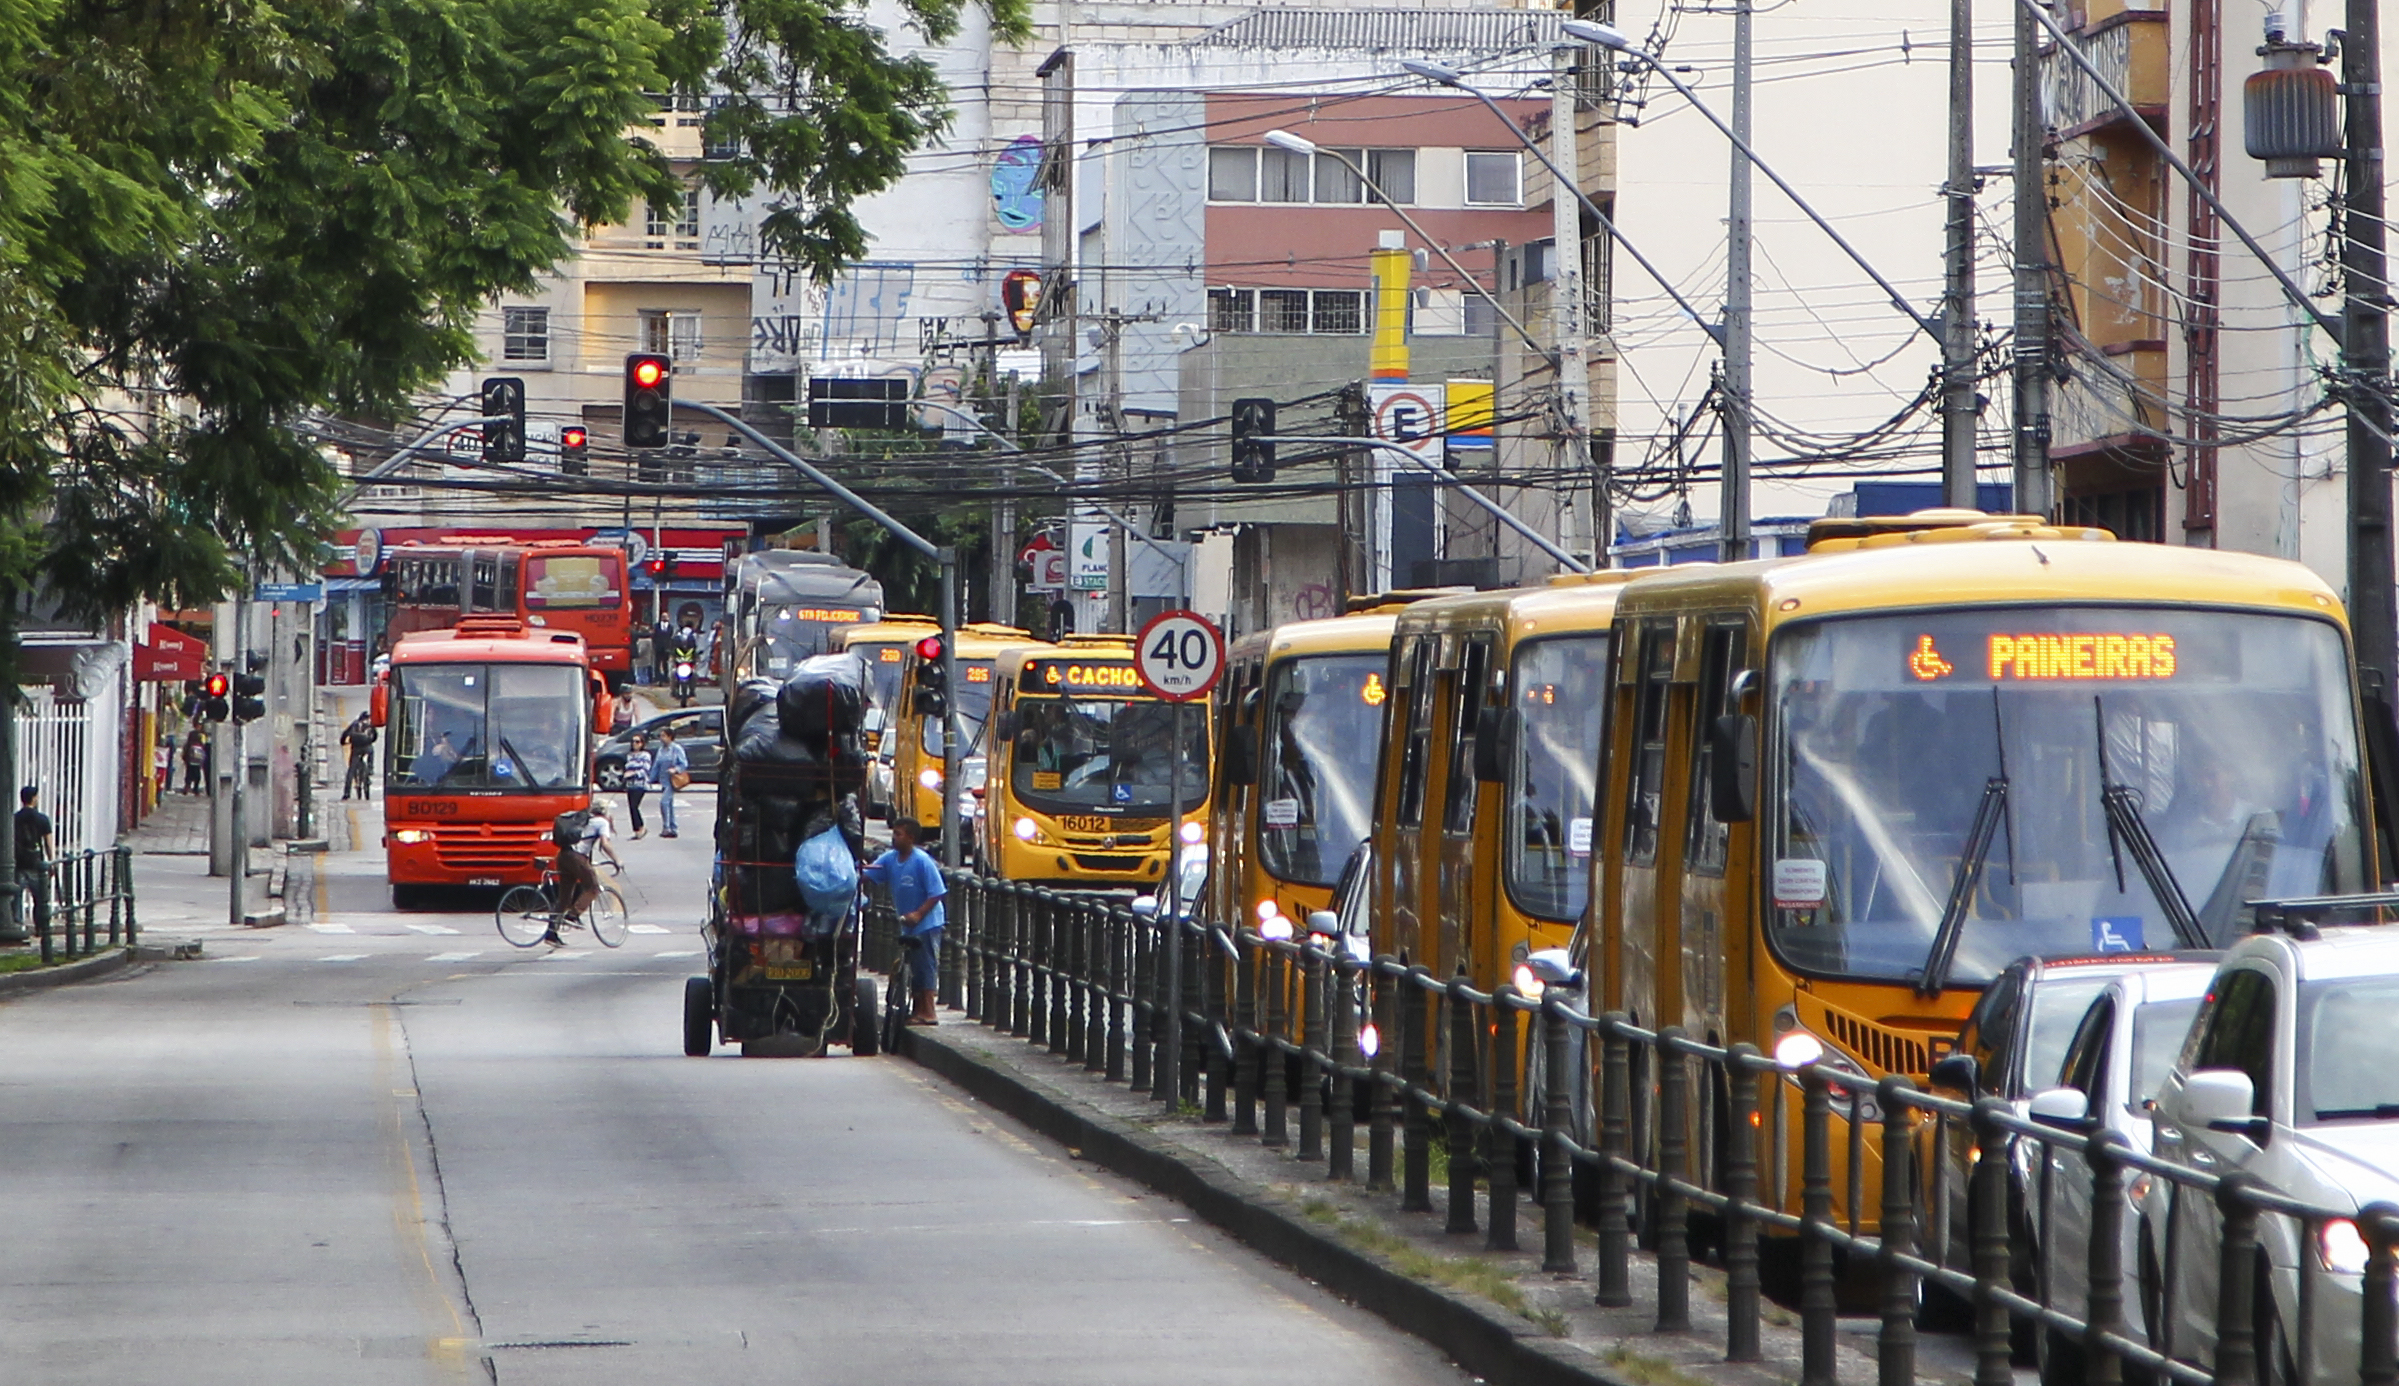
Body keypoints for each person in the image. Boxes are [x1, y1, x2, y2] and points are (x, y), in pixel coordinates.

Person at [862, 817, 947, 1025]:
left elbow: (937, 892)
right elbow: (870, 874)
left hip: (926, 921)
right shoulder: (890, 859)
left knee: (925, 965)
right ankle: (914, 1010)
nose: (894, 838)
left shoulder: (922, 861)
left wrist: (918, 914)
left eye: (898, 834)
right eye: (893, 833)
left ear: (910, 837)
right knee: (912, 963)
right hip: (906, 921)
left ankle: (928, 1012)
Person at [547, 801, 621, 947]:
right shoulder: (601, 822)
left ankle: (551, 933)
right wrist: (617, 860)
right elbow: (605, 844)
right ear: (605, 811)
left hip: (563, 855)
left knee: (564, 897)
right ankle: (573, 915)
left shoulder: (584, 819)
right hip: (577, 857)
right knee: (593, 887)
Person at [14, 785, 51, 946]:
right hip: (36, 863)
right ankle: (40, 927)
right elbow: (49, 843)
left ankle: (17, 925)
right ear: (34, 798)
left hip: (19, 863)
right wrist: (51, 862)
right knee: (41, 898)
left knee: (16, 897)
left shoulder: (14, 818)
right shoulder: (42, 819)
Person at [652, 726, 689, 838]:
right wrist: (650, 779)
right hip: (663, 780)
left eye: (663, 735)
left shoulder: (676, 749)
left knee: (664, 802)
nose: (661, 738)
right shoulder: (661, 750)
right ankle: (673, 827)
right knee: (669, 804)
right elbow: (656, 765)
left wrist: (675, 769)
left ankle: (666, 827)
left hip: (672, 780)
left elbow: (684, 763)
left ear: (670, 737)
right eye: (660, 736)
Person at [621, 733, 654, 839]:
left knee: (635, 806)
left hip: (640, 784)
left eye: (637, 742)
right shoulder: (629, 755)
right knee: (631, 807)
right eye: (633, 741)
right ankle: (636, 830)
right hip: (630, 784)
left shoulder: (645, 755)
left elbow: (645, 770)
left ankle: (641, 827)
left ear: (642, 743)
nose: (635, 744)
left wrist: (634, 773)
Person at [339, 712, 377, 800]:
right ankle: (370, 768)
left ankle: (347, 793)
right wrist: (370, 741)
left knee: (351, 771)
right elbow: (375, 736)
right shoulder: (370, 724)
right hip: (366, 747)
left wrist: (343, 742)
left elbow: (345, 734)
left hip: (356, 749)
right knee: (371, 751)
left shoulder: (355, 724)